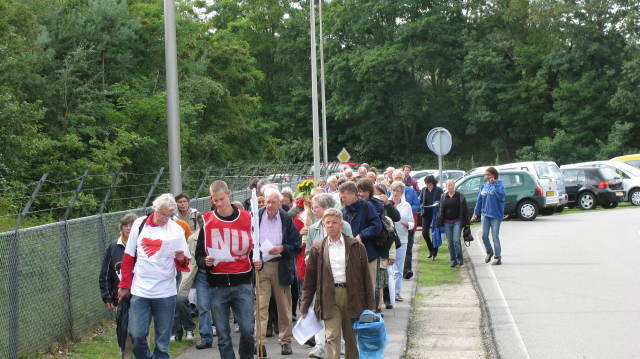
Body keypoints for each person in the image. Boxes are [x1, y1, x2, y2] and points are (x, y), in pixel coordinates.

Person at [117, 194, 191, 359]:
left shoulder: (176, 230)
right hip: (140, 290)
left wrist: (180, 259)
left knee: (162, 344)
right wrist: (124, 285)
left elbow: (185, 265)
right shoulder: (139, 224)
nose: (165, 218)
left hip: (165, 292)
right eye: (162, 214)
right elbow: (128, 256)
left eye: (168, 215)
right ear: (154, 209)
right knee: (136, 335)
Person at [300, 208, 376, 359]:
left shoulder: (356, 246)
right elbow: (310, 280)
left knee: (350, 338)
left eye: (334, 223)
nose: (330, 226)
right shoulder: (317, 248)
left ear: (341, 225)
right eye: (327, 223)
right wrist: (304, 305)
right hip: (329, 296)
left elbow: (366, 278)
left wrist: (370, 305)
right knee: (331, 336)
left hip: (351, 296)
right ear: (323, 225)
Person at [195, 180, 259, 359]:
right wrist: (204, 261)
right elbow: (199, 255)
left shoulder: (247, 218)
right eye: (215, 200)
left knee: (247, 330)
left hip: (242, 282)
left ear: (229, 194)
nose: (219, 204)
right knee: (223, 335)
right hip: (218, 285)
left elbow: (256, 248)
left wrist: (257, 260)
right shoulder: (207, 222)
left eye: (221, 199)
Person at [304, 193, 353, 359]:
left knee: (348, 331)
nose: (313, 209)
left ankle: (344, 346)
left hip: (343, 283)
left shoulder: (344, 226)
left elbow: (351, 251)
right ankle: (320, 345)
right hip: (322, 282)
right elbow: (309, 250)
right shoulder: (313, 229)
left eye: (316, 206)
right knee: (323, 319)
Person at [255, 187, 302, 356]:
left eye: (274, 202)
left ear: (280, 203)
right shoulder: (257, 216)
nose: (270, 205)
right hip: (262, 266)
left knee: (284, 307)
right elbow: (249, 241)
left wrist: (282, 248)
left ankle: (285, 341)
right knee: (261, 307)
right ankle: (260, 342)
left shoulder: (286, 218)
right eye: (267, 201)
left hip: (281, 265)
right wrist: (255, 258)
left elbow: (296, 243)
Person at [340, 181, 382, 295]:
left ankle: (371, 310)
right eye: (341, 197)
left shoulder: (367, 206)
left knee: (369, 286)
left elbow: (377, 226)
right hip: (350, 254)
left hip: (368, 252)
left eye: (345, 197)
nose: (343, 200)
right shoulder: (343, 211)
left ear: (353, 194)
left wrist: (362, 235)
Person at [471, 167, 505, 265]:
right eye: (485, 175)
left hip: (496, 215)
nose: (486, 176)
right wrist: (475, 213)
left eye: (488, 174)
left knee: (495, 236)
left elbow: (502, 196)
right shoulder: (484, 186)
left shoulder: (500, 185)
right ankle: (489, 252)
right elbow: (479, 201)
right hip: (485, 214)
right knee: (484, 236)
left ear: (493, 175)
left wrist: (494, 185)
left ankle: (498, 258)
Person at [389, 182, 413, 302]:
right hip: (388, 240)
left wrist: (407, 224)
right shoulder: (387, 203)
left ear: (402, 192)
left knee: (399, 266)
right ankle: (388, 292)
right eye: (394, 190)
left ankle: (397, 292)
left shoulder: (406, 205)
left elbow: (412, 223)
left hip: (402, 239)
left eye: (398, 191)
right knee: (389, 267)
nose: (395, 193)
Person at [438, 180, 468, 267]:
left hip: (457, 221)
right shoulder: (444, 196)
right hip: (447, 222)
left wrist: (467, 223)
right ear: (446, 187)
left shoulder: (460, 196)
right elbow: (441, 210)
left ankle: (460, 259)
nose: (450, 187)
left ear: (454, 186)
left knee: (456, 240)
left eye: (451, 185)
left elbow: (465, 210)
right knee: (450, 242)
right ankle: (453, 260)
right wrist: (439, 221)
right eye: (448, 185)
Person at [419, 175, 443, 262]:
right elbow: (421, 201)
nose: (429, 186)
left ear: (434, 183)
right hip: (426, 214)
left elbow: (442, 201)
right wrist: (422, 205)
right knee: (425, 233)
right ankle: (431, 249)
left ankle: (434, 253)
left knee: (435, 234)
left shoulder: (439, 190)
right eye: (427, 184)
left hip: (435, 214)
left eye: (430, 184)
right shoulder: (423, 190)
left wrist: (438, 204)